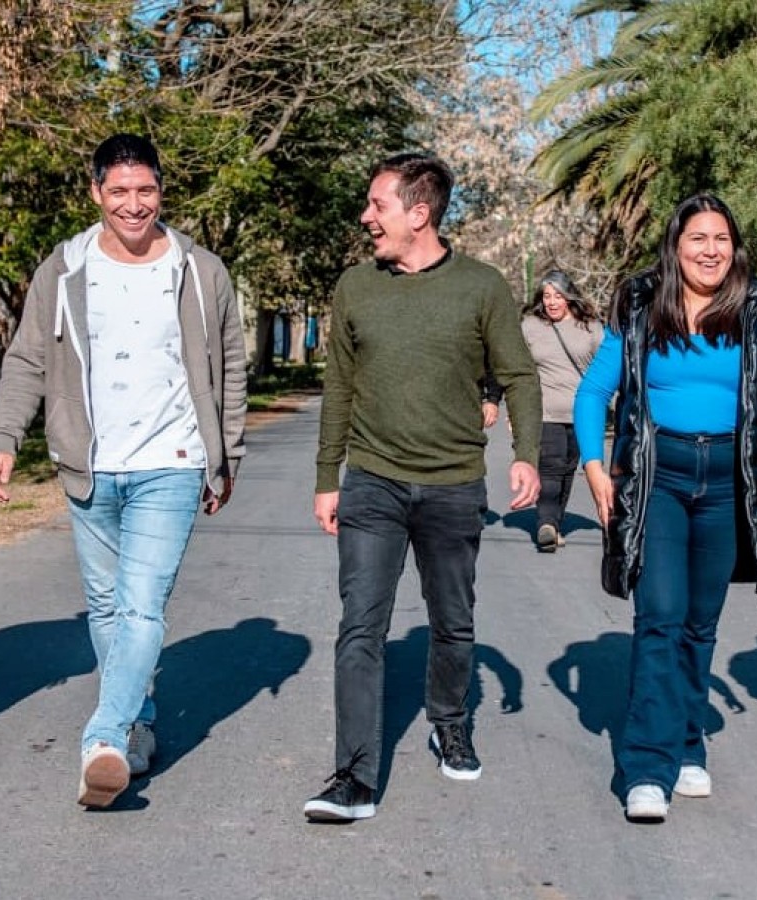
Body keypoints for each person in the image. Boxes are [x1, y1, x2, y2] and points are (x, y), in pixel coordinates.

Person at [0, 133, 247, 809]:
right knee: (107, 607)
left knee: (140, 605)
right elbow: (27, 358)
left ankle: (102, 736)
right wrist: (6, 434)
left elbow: (230, 366)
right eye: (120, 192)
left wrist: (228, 455)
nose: (135, 205)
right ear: (97, 192)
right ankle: (138, 726)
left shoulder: (199, 269)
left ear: (163, 191)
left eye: (147, 190)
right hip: (90, 463)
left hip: (173, 460)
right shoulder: (66, 268)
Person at [574, 193, 757, 823]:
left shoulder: (755, 309)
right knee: (660, 616)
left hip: (727, 479)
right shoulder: (640, 304)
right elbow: (594, 391)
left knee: (699, 622)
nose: (711, 249)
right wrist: (592, 466)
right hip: (660, 475)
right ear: (676, 244)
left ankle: (689, 739)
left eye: (721, 238)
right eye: (698, 238)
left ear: (734, 247)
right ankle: (646, 765)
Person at [304, 153, 542, 822]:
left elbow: (519, 376)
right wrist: (329, 477)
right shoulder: (356, 286)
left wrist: (524, 454)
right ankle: (353, 777)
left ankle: (449, 720)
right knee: (360, 626)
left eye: (376, 205)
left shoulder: (482, 286)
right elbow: (340, 386)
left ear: (419, 212)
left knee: (453, 623)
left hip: (453, 485)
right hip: (372, 481)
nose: (365, 217)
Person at [522, 269, 604, 552]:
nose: (552, 302)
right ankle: (546, 522)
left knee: (568, 468)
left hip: (583, 413)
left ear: (569, 297)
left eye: (557, 295)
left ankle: (554, 524)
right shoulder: (531, 327)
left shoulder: (590, 327)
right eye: (546, 296)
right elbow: (519, 369)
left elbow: (604, 369)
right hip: (545, 411)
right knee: (550, 466)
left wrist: (612, 404)